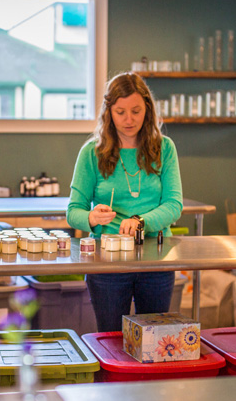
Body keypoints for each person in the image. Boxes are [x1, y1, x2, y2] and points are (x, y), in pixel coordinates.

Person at [67, 72, 183, 332]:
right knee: (110, 339)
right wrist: (91, 217)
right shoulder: (91, 153)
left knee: (154, 340)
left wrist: (141, 221)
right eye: (120, 112)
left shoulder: (165, 148)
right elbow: (73, 211)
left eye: (136, 111)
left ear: (148, 110)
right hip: (107, 261)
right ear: (109, 112)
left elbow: (174, 204)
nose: (129, 120)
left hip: (156, 257)